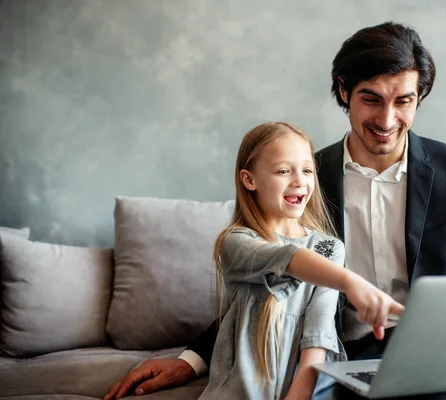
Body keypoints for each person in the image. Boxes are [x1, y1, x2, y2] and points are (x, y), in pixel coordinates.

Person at [106, 22, 446, 400]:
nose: (386, 119)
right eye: (370, 99)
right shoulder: (303, 180)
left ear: (419, 98)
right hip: (353, 350)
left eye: (404, 101)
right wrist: (191, 359)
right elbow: (262, 278)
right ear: (343, 91)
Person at [106, 122, 403, 400]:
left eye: (307, 170)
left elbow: (319, 332)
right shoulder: (235, 242)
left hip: (306, 386)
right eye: (284, 171)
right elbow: (286, 259)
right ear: (249, 180)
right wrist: (351, 281)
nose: (300, 182)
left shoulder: (329, 247)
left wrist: (298, 395)